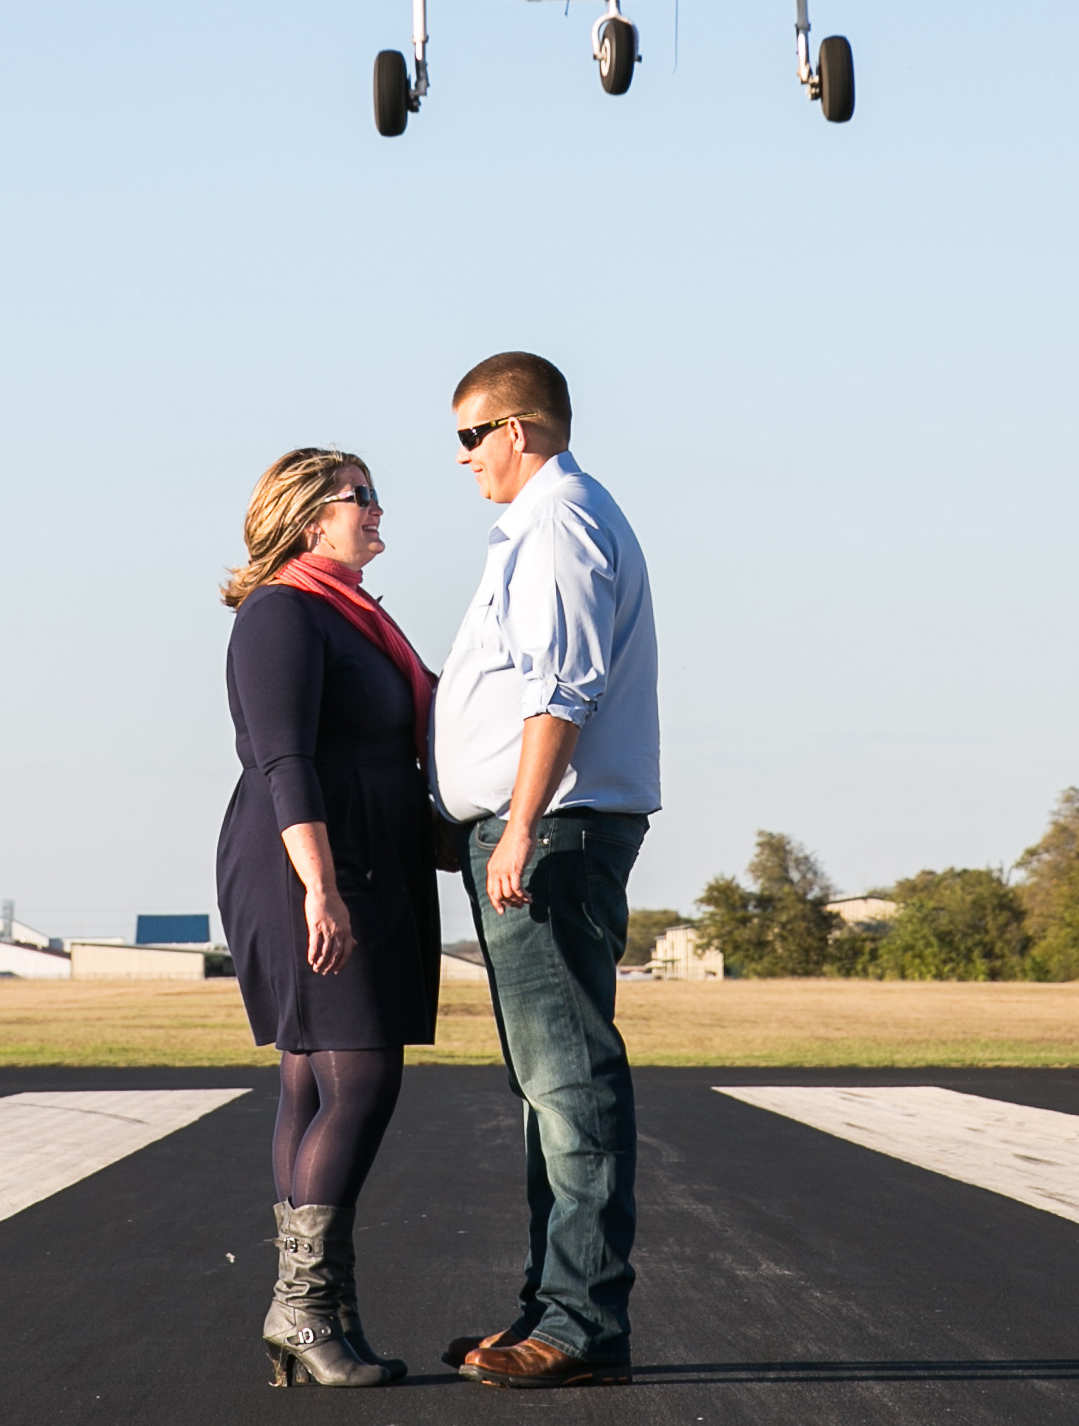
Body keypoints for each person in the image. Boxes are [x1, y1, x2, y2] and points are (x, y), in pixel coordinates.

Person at [432, 351, 657, 1389]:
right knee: (546, 1088)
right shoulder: (541, 523)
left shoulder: (558, 522)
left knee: (568, 1083)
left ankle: (577, 1327)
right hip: (544, 828)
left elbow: (561, 691)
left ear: (517, 431)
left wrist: (517, 825)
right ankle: (549, 1308)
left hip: (554, 832)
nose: (465, 458)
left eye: (470, 436)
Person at [215, 446, 439, 1389]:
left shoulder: (350, 615)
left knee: (313, 1085)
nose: (380, 510)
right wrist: (319, 886)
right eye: (363, 498)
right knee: (358, 1082)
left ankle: (318, 1314)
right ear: (313, 516)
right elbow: (283, 762)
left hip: (366, 858)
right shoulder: (282, 613)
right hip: (310, 861)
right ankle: (302, 1309)